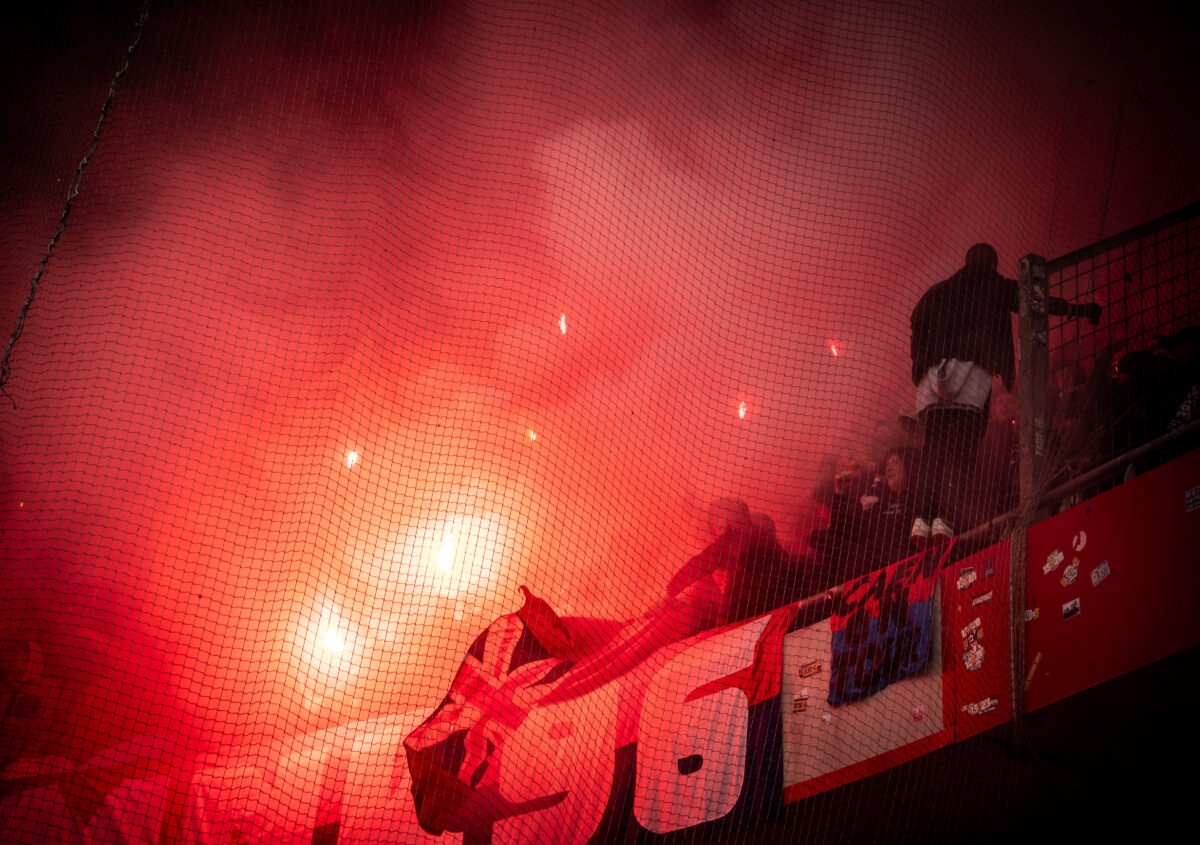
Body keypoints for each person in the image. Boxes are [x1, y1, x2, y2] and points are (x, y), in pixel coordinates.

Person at [909, 243, 1102, 534]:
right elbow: (1038, 302)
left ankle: (922, 520)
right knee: (964, 451)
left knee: (934, 451)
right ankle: (944, 521)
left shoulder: (935, 292)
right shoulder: (995, 285)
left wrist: (920, 363)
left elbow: (916, 318)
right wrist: (1078, 309)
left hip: (932, 380)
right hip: (972, 376)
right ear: (993, 265)